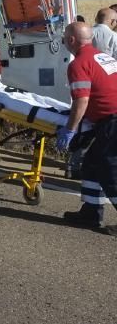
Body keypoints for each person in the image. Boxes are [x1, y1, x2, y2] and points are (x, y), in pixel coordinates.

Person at [57, 22, 117, 232]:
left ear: (71, 40)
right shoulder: (103, 57)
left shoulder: (78, 63)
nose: (64, 40)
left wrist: (70, 129)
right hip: (108, 120)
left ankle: (92, 213)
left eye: (65, 37)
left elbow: (81, 101)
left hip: (113, 121)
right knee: (92, 163)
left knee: (110, 170)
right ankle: (91, 212)